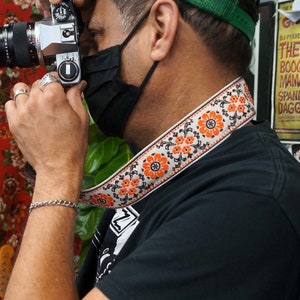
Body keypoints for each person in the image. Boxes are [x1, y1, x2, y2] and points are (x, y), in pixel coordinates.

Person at [4, 0, 300, 299]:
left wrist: (56, 173)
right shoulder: (175, 165)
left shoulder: (246, 208)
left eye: (95, 37)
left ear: (160, 29)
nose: (85, 66)